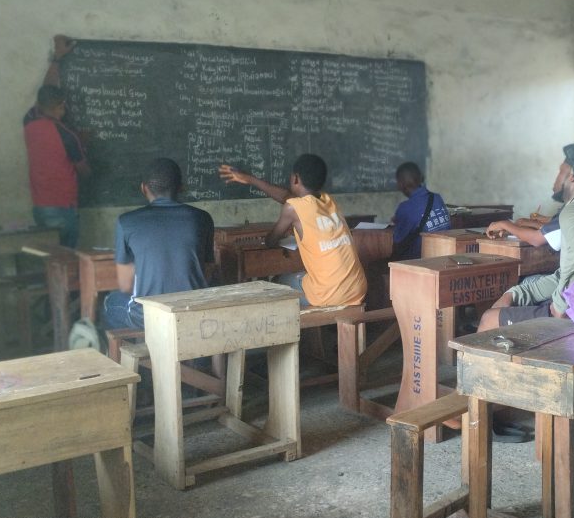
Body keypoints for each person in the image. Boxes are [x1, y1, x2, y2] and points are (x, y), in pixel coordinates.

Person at [477, 141, 574, 332]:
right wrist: (517, 293)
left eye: (560, 172)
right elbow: (564, 274)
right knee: (511, 303)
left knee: (489, 319)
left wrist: (559, 308)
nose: (556, 179)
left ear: (572, 175)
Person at [219, 155, 367, 307]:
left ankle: (299, 329)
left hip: (330, 295)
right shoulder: (327, 200)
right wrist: (251, 179)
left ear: (295, 178)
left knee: (277, 284)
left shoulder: (293, 208)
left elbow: (271, 241)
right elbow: (287, 197)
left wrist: (270, 237)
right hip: (357, 288)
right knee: (304, 276)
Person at [103, 158, 215, 330]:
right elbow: (206, 273)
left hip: (148, 316)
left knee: (110, 301)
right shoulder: (202, 218)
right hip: (193, 312)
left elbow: (125, 285)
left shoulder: (127, 222)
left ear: (143, 188)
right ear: (181, 187)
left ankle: (143, 350)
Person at [24, 35, 90, 248]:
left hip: (40, 206)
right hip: (64, 206)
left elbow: (46, 92)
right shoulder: (67, 135)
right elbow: (84, 170)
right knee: (67, 259)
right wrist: (85, 146)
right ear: (60, 106)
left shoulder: (30, 122)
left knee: (51, 259)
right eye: (63, 105)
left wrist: (57, 59)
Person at [391, 162, 450, 259]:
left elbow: (397, 243)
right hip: (444, 257)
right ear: (420, 178)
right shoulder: (437, 198)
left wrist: (399, 221)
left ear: (400, 184)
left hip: (419, 262)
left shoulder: (405, 208)